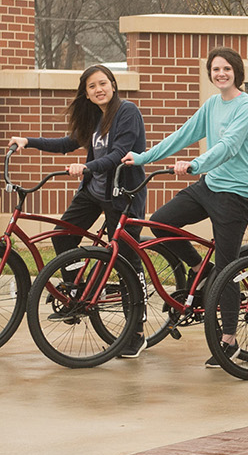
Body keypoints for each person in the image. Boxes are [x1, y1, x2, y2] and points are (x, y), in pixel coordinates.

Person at [123, 46, 248, 368]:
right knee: (160, 222)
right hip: (209, 186)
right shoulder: (213, 104)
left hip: (236, 196)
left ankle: (229, 339)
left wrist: (196, 164)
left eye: (226, 68)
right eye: (215, 69)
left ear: (236, 71)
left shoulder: (247, 106)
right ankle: (199, 268)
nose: (221, 74)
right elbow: (182, 135)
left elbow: (228, 147)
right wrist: (142, 158)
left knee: (228, 267)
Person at [9, 65, 149, 358]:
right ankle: (76, 288)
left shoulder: (127, 112)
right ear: (85, 93)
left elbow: (117, 155)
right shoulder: (94, 116)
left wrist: (87, 166)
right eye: (92, 87)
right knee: (62, 236)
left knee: (125, 262)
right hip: (94, 192)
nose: (99, 89)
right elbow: (66, 144)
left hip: (122, 197)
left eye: (103, 83)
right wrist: (28, 142)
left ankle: (136, 332)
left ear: (113, 84)